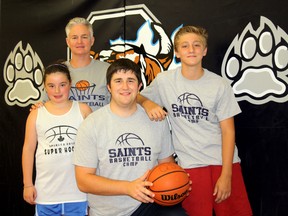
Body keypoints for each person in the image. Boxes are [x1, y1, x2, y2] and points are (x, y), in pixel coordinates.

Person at [137, 26, 253, 216]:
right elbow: (136, 97)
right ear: (176, 52)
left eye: (196, 45)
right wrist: (147, 102)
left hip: (223, 163)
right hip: (190, 166)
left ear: (204, 50)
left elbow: (228, 131)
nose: (191, 50)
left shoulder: (219, 84)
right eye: (185, 46)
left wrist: (226, 175)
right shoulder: (164, 81)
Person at [73, 58, 188, 216]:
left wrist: (177, 179)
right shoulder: (92, 124)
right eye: (118, 81)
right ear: (109, 87)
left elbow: (166, 165)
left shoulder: (156, 120)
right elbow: (83, 181)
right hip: (108, 211)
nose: (125, 87)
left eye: (131, 81)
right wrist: (127, 187)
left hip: (148, 204)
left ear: (139, 86)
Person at [22, 63, 92, 215]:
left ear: (70, 84)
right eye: (51, 85)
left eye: (62, 84)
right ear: (44, 87)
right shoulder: (35, 114)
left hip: (78, 194)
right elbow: (28, 149)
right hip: (46, 194)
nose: (57, 90)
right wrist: (27, 184)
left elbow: (95, 150)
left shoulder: (83, 110)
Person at [37, 17, 110, 111]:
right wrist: (38, 106)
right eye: (74, 37)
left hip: (100, 126)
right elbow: (44, 106)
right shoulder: (57, 71)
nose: (79, 42)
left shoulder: (108, 70)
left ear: (92, 40)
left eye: (84, 37)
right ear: (68, 42)